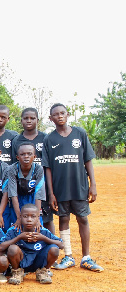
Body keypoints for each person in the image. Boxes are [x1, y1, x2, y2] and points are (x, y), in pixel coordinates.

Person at [42, 103, 102, 272]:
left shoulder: (79, 133)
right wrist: (51, 193)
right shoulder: (49, 138)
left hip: (79, 186)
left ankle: (86, 257)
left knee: (83, 218)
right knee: (63, 219)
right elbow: (47, 168)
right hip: (60, 189)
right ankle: (68, 256)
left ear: (68, 115)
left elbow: (88, 160)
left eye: (62, 113)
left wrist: (93, 184)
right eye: (56, 114)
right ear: (51, 118)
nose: (60, 116)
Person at [12, 108, 54, 233]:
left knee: (46, 218)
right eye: (26, 118)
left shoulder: (45, 138)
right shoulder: (16, 140)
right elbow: (14, 164)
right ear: (21, 121)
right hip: (21, 186)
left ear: (37, 120)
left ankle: (50, 244)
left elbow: (48, 164)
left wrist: (50, 190)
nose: (29, 121)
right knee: (25, 217)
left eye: (32, 118)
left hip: (41, 184)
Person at [0, 204, 62, 285]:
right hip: (21, 262)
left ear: (38, 218)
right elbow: (1, 247)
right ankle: (17, 272)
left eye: (33, 216)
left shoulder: (43, 231)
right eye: (25, 216)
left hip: (38, 261)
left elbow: (61, 245)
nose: (29, 219)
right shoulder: (14, 230)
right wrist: (18, 237)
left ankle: (43, 272)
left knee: (54, 249)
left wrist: (43, 238)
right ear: (20, 217)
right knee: (12, 249)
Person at [7, 143, 46, 229]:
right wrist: (18, 217)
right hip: (17, 199)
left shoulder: (39, 169)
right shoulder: (12, 169)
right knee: (17, 226)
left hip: (33, 198)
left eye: (29, 154)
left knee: (35, 225)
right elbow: (13, 194)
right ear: (17, 157)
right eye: (22, 154)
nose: (26, 156)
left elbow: (38, 194)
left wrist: (38, 218)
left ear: (35, 157)